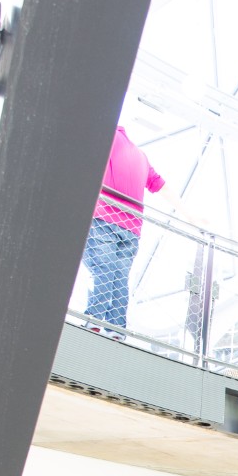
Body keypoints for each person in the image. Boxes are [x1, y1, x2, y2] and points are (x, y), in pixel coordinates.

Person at [82, 125, 165, 335]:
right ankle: (116, 327)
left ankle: (93, 319)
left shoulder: (107, 140)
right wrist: (190, 215)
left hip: (105, 216)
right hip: (132, 226)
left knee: (101, 270)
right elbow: (158, 183)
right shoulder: (141, 156)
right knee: (120, 276)